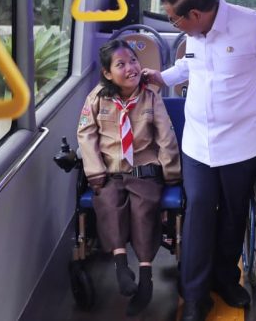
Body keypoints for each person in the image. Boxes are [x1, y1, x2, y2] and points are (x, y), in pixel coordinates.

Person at [142, 0, 256, 321]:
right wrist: (163, 77)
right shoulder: (194, 35)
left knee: (234, 214)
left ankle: (224, 278)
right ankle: (194, 295)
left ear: (195, 14)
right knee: (199, 212)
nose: (174, 25)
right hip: (198, 143)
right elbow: (190, 64)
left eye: (175, 20)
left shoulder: (253, 26)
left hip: (243, 143)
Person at [76, 39, 181, 317]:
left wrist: (171, 173)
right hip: (110, 171)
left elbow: (166, 138)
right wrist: (94, 171)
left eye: (133, 60)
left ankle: (145, 276)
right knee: (109, 204)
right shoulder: (97, 98)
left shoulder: (151, 97)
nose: (131, 67)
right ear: (108, 73)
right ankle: (121, 265)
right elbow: (86, 135)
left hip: (144, 170)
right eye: (121, 64)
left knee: (144, 210)